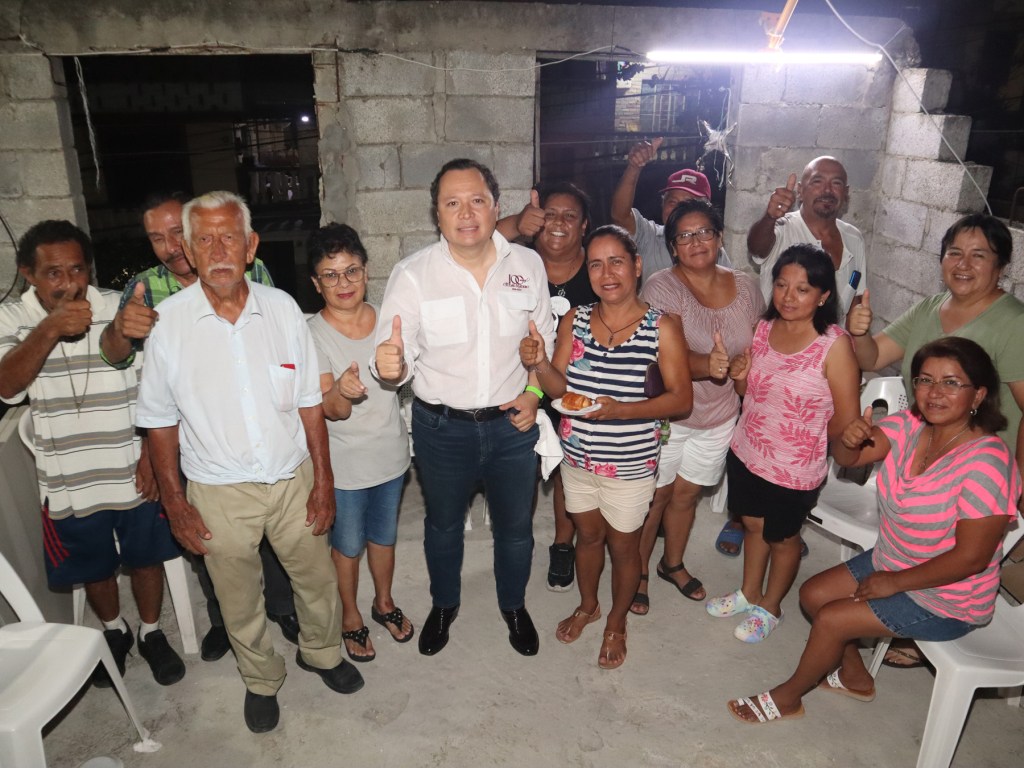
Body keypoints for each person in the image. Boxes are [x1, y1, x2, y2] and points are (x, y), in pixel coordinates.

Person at [135, 192, 362, 734]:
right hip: (218, 490)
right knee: (238, 599)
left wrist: (323, 481)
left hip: (292, 478)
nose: (218, 251)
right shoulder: (168, 324)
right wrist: (176, 505)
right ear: (189, 250)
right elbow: (159, 423)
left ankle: (323, 653)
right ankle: (262, 680)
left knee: (316, 580)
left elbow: (309, 402)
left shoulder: (282, 309)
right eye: (205, 240)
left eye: (229, 237)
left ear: (250, 245)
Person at [728, 337, 1020, 724]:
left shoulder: (988, 463)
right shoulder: (912, 425)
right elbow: (849, 457)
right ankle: (854, 676)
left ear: (978, 395)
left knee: (832, 619)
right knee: (813, 595)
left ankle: (789, 697)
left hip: (949, 597)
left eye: (951, 383)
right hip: (893, 561)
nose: (934, 392)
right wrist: (848, 440)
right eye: (925, 380)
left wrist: (896, 582)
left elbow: (972, 558)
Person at [104, 191, 298, 663]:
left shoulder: (252, 269)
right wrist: (121, 329)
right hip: (188, 434)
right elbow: (116, 356)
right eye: (157, 238)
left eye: (177, 233)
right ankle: (221, 618)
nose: (170, 246)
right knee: (206, 534)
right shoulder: (145, 287)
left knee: (271, 529)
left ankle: (282, 607)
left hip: (253, 428)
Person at [373, 158, 556, 658]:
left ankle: (513, 606)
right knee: (443, 526)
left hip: (513, 424)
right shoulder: (414, 274)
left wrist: (535, 394)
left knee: (515, 529)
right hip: (442, 429)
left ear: (496, 207)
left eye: (477, 200)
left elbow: (545, 342)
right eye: (452, 203)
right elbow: (396, 353)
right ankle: (444, 604)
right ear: (437, 214)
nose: (467, 213)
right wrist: (390, 366)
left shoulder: (528, 266)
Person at [0, 220, 185, 688]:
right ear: (27, 274)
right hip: (68, 477)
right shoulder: (10, 318)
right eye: (53, 273)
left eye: (77, 269)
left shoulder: (119, 306)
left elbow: (154, 389)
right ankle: (114, 629)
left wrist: (150, 455)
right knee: (96, 567)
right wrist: (49, 328)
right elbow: (6, 385)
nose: (69, 283)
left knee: (146, 558)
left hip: (131, 465)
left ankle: (151, 631)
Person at [847, 211, 1024, 668]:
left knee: (959, 559)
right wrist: (858, 332)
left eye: (978, 255)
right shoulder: (931, 307)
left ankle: (921, 618)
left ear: (1001, 265)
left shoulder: (1013, 322)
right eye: (954, 253)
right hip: (924, 452)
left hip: (974, 471)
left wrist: (1019, 485)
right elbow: (874, 356)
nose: (963, 264)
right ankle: (901, 609)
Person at [520, 224, 692, 668]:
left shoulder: (662, 327)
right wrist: (539, 362)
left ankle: (617, 622)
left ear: (637, 265)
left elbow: (681, 399)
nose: (606, 273)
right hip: (577, 458)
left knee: (624, 548)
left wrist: (622, 411)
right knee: (588, 537)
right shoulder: (574, 320)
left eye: (617, 261)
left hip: (630, 464)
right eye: (596, 264)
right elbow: (558, 389)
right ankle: (588, 605)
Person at [705, 244, 860, 643]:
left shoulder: (834, 345)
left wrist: (843, 445)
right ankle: (749, 593)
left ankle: (770, 607)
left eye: (803, 289)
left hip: (794, 467)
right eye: (781, 285)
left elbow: (846, 418)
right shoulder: (764, 329)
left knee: (783, 538)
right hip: (747, 450)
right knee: (753, 525)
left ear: (823, 296)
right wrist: (740, 374)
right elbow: (748, 392)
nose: (788, 297)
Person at [725, 156, 865, 560]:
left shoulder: (853, 239)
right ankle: (745, 521)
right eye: (817, 181)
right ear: (802, 189)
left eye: (836, 183)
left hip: (824, 355)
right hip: (775, 350)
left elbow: (858, 292)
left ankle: (785, 520)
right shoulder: (783, 226)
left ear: (846, 193)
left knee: (803, 437)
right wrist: (769, 216)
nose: (827, 189)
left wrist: (854, 339)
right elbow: (757, 247)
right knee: (760, 432)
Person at [631, 199, 765, 614]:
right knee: (656, 496)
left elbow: (758, 343)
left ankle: (671, 563)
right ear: (673, 247)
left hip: (719, 415)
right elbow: (660, 353)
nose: (696, 242)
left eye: (704, 232)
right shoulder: (661, 287)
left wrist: (742, 367)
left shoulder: (746, 286)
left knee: (687, 495)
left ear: (719, 237)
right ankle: (637, 572)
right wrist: (709, 364)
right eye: (684, 236)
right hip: (669, 414)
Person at [306, 223, 414, 663]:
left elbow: (408, 372)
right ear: (316, 283)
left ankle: (383, 603)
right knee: (348, 545)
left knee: (384, 537)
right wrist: (342, 392)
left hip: (391, 455)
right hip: (345, 467)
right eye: (330, 275)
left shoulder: (390, 320)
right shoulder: (313, 333)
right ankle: (350, 615)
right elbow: (329, 410)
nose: (343, 283)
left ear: (367, 272)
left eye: (351, 270)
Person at [530, 181, 599, 592]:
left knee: (567, 469)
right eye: (550, 214)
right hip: (521, 380)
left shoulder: (597, 270)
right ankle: (516, 540)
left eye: (569, 215)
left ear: (584, 225)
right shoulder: (518, 266)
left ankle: (562, 543)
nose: (558, 223)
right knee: (521, 466)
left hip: (578, 385)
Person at [610, 137, 731, 284]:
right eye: (672, 202)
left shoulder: (712, 249)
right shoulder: (650, 236)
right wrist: (634, 167)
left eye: (688, 203)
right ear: (662, 204)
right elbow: (620, 216)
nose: (678, 209)